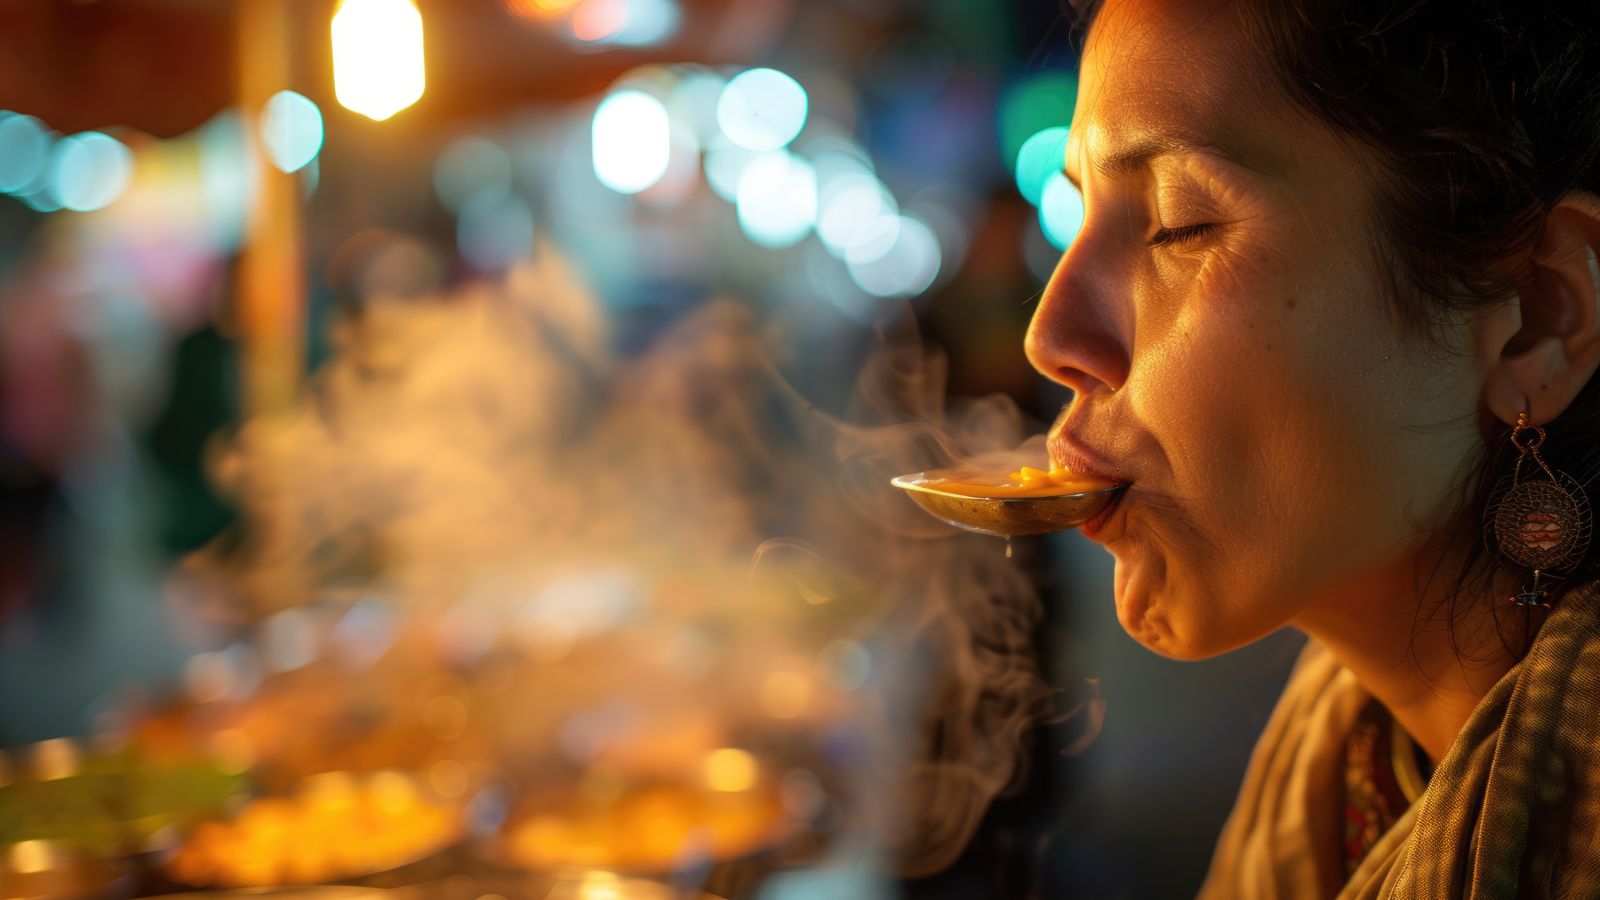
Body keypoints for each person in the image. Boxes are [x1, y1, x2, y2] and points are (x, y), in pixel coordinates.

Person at [1024, 0, 1600, 895]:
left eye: (1178, 223)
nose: (1051, 335)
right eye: (1078, 212)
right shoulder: (1346, 768)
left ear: (1539, 320)